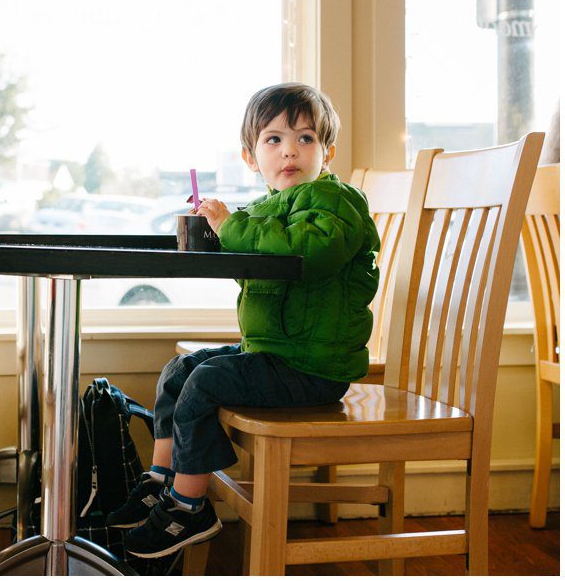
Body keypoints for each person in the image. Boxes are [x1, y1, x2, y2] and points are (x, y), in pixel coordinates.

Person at [109, 83, 380, 558]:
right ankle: (162, 479)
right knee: (181, 371)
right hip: (276, 354)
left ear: (327, 152)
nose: (290, 150)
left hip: (314, 368)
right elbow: (258, 242)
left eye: (306, 138)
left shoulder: (335, 203)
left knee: (207, 381)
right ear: (251, 157)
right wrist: (214, 232)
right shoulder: (268, 209)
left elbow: (306, 253)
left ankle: (188, 507)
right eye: (273, 140)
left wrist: (233, 228)